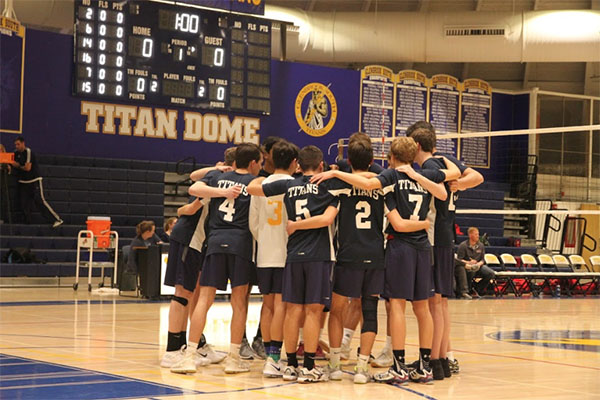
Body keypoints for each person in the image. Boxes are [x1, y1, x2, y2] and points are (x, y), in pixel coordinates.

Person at [311, 136, 458, 385]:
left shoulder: (389, 178)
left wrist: (336, 175)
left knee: (386, 307)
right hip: (412, 248)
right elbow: (444, 190)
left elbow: (368, 186)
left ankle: (388, 365)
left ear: (391, 157)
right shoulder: (423, 175)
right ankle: (421, 365)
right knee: (415, 309)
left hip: (384, 248)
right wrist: (423, 211)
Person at [248, 145, 338, 384]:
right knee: (312, 311)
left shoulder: (289, 185)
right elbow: (328, 219)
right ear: (321, 166)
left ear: (299, 165)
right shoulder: (329, 186)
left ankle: (289, 366)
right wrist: (335, 174)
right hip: (318, 255)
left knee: (292, 310)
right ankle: (308, 366)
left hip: (293, 255)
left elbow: (251, 188)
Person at [170, 143, 262, 375]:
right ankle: (233, 359)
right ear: (252, 163)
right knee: (239, 303)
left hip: (214, 242)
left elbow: (194, 187)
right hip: (241, 244)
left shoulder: (216, 176)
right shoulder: (253, 184)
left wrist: (221, 190)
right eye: (260, 162)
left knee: (203, 300)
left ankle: (189, 355)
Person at [405, 121, 484, 378]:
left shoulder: (429, 166)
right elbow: (477, 176)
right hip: (446, 237)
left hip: (433, 238)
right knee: (440, 305)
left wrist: (456, 182)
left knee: (432, 304)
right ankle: (441, 361)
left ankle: (434, 360)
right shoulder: (446, 161)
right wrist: (460, 182)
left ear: (416, 145)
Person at [248, 139, 299, 378]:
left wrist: (265, 240)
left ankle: (270, 352)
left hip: (264, 254)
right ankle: (275, 357)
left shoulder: (260, 185)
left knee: (267, 305)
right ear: (293, 163)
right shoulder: (295, 185)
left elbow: (254, 225)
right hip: (286, 252)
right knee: (282, 306)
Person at [11, 137, 62, 227]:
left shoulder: (28, 152)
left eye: (18, 144)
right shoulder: (15, 153)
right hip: (23, 182)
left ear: (23, 143)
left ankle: (56, 219)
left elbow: (27, 168)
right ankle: (27, 223)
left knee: (39, 201)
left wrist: (17, 165)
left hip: (34, 180)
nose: (17, 146)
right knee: (24, 204)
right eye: (15, 144)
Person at [455, 227, 495, 297]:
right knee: (471, 271)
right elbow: (459, 260)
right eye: (476, 234)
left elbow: (482, 260)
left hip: (479, 266)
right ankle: (468, 290)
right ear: (470, 235)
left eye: (478, 234)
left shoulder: (481, 246)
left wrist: (478, 264)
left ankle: (477, 288)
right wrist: (469, 262)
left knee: (490, 273)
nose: (478, 236)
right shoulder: (463, 245)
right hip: (468, 266)